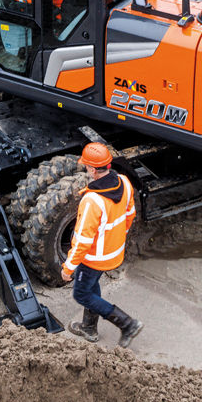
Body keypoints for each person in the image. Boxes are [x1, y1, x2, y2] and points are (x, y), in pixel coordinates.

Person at [61, 142, 143, 348]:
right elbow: (130, 214)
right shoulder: (124, 182)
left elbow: (82, 240)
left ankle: (127, 323)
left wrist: (68, 267)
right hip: (113, 253)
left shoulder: (92, 201)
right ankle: (89, 328)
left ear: (91, 169)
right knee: (92, 286)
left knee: (81, 293)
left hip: (93, 259)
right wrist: (117, 238)